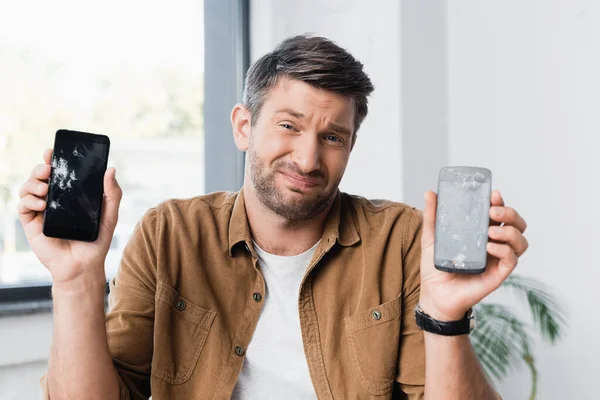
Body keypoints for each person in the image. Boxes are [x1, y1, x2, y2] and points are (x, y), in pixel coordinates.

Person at [18, 35, 528, 399]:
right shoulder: (170, 233)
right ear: (244, 126)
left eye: (333, 137)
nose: (308, 160)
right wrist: (75, 279)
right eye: (289, 125)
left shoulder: (402, 241)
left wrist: (446, 316)